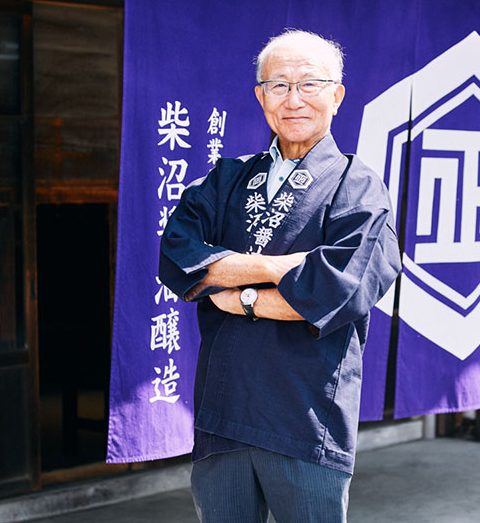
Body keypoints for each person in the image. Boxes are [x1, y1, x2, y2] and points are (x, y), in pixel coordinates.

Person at [158, 29, 401, 522]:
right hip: (223, 410)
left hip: (306, 416)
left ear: (337, 95)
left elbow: (339, 288)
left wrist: (239, 297)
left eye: (310, 84)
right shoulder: (227, 178)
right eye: (279, 85)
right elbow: (177, 254)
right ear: (260, 95)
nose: (294, 99)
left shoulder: (357, 187)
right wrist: (277, 267)